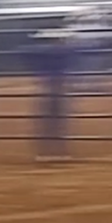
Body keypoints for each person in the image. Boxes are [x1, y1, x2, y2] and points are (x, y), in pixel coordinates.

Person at [24, 29, 77, 162]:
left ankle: (46, 151)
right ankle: (56, 150)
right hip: (56, 87)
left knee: (48, 121)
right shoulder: (60, 51)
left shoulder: (42, 52)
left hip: (48, 87)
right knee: (56, 121)